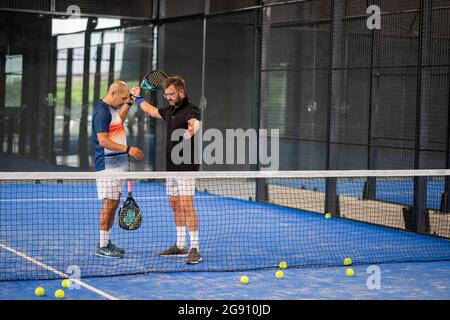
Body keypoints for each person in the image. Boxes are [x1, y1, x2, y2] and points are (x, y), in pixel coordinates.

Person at [131, 76, 202, 264]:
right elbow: (152, 111)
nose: (168, 97)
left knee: (187, 205)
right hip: (171, 167)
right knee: (174, 204)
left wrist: (192, 130)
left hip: (186, 166)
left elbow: (195, 122)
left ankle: (195, 248)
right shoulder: (170, 110)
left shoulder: (191, 109)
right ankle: (180, 245)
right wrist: (138, 98)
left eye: (171, 94)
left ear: (181, 92)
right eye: (166, 94)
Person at [92, 80, 144, 258]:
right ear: (112, 93)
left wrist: (129, 102)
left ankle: (106, 242)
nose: (123, 101)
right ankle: (102, 245)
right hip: (108, 167)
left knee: (113, 204)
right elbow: (104, 141)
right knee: (109, 204)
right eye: (122, 98)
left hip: (117, 166)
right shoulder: (102, 112)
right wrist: (129, 149)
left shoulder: (112, 110)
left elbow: (119, 121)